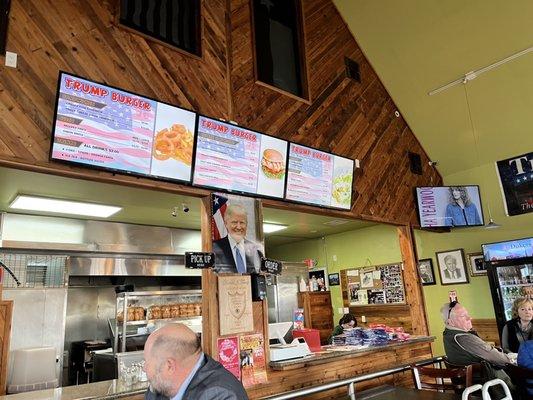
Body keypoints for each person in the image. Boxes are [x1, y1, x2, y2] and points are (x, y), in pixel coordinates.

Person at [143, 323, 249, 400]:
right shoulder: (160, 386)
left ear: (169, 366)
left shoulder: (221, 395)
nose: (144, 368)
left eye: (147, 362)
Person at [441, 301, 514, 392]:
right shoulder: (463, 338)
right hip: (488, 386)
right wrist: (512, 359)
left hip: (473, 384)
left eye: (467, 314)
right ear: (450, 322)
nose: (469, 318)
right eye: (463, 316)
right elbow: (499, 359)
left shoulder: (447, 334)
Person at [212, 204, 263, 274]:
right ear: (226, 224)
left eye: (242, 223)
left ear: (246, 225)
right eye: (234, 222)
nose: (239, 227)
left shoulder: (256, 251)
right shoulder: (214, 248)